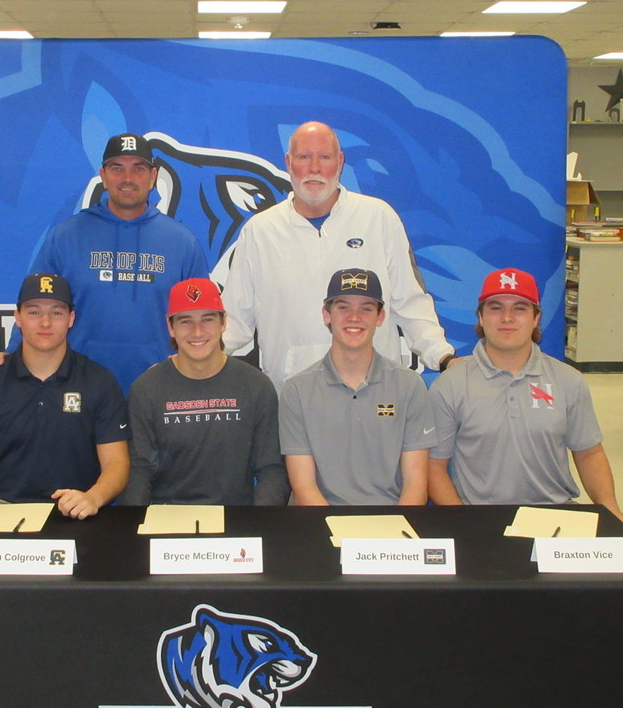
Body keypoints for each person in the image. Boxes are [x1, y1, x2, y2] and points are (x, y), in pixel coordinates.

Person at [222, 121, 457, 391]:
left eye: (324, 157)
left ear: (341, 161)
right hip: (292, 398)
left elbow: (411, 303)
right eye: (304, 157)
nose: (314, 168)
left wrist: (443, 357)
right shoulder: (260, 231)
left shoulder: (378, 218)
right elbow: (234, 321)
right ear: (288, 162)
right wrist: (195, 361)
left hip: (374, 391)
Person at [428, 267, 623, 535]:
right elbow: (433, 467)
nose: (507, 318)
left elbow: (589, 453)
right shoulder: (450, 385)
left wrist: (611, 511)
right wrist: (465, 523)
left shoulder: (568, 380)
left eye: (520, 308)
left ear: (536, 318)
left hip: (555, 516)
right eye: (495, 308)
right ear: (481, 318)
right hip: (479, 517)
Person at [0, 133, 209, 393]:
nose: (127, 179)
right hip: (79, 389)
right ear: (103, 175)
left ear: (153, 177)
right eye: (117, 168)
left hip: (159, 389)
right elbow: (36, 303)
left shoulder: (181, 242)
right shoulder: (67, 236)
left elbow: (202, 317)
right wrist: (13, 356)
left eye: (138, 169)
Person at [0, 272, 129, 520]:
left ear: (71, 319)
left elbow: (117, 464)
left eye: (57, 312)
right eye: (34, 312)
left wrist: (93, 497)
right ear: (17, 318)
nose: (46, 322)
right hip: (0, 508)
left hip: (76, 509)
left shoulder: (99, 381)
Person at [120, 278, 289, 506]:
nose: (197, 332)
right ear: (171, 327)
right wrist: (137, 529)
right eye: (185, 321)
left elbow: (271, 469)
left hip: (237, 519)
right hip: (167, 519)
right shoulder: (146, 389)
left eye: (207, 319)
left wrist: (259, 524)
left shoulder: (256, 386)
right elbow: (139, 470)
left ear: (223, 323)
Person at [279, 268, 434, 505]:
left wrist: (392, 536)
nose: (354, 317)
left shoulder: (409, 386)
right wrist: (337, 536)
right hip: (320, 524)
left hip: (390, 525)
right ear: (326, 314)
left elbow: (415, 485)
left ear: (380, 317)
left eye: (366, 308)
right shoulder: (296, 391)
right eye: (343, 307)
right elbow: (304, 488)